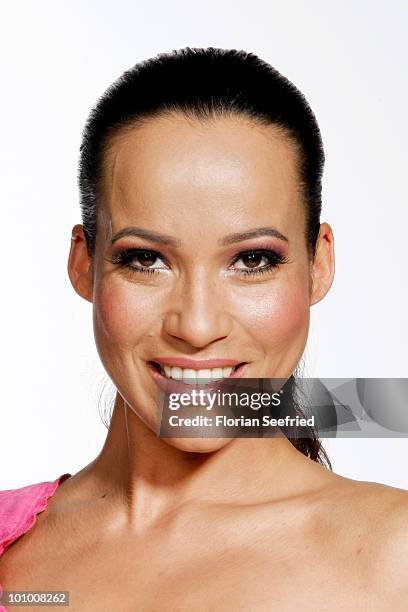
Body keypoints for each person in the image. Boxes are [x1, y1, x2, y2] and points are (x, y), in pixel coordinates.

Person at [0, 47, 407, 611]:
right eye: (146, 259)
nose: (195, 326)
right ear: (82, 263)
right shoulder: (10, 550)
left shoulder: (395, 558)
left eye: (252, 261)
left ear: (319, 265)